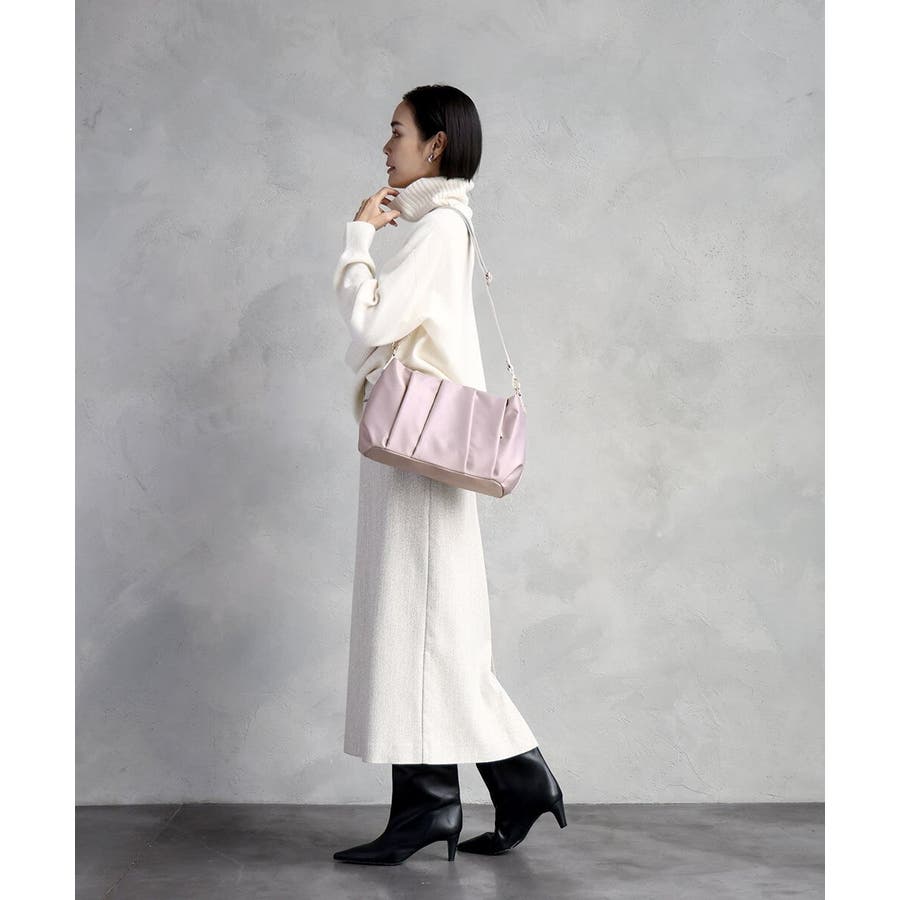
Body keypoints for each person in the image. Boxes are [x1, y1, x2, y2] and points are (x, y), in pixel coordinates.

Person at [330, 84, 567, 866]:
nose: (385, 145)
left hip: (418, 458)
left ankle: (447, 802)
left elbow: (371, 319)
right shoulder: (442, 224)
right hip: (413, 453)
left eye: (396, 131)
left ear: (434, 145)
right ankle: (483, 790)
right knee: (424, 633)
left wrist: (357, 240)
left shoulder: (438, 229)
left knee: (425, 632)